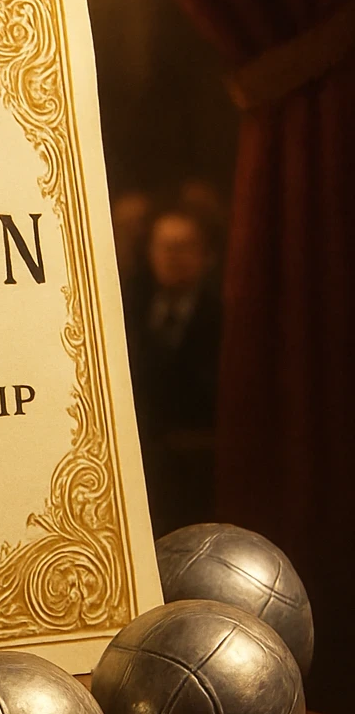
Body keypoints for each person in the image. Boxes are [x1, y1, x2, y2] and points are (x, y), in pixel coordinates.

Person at [125, 208, 221, 535]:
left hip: (201, 475)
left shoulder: (225, 317)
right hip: (143, 471)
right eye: (164, 247)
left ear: (206, 255)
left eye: (183, 247)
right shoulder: (127, 310)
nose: (172, 257)